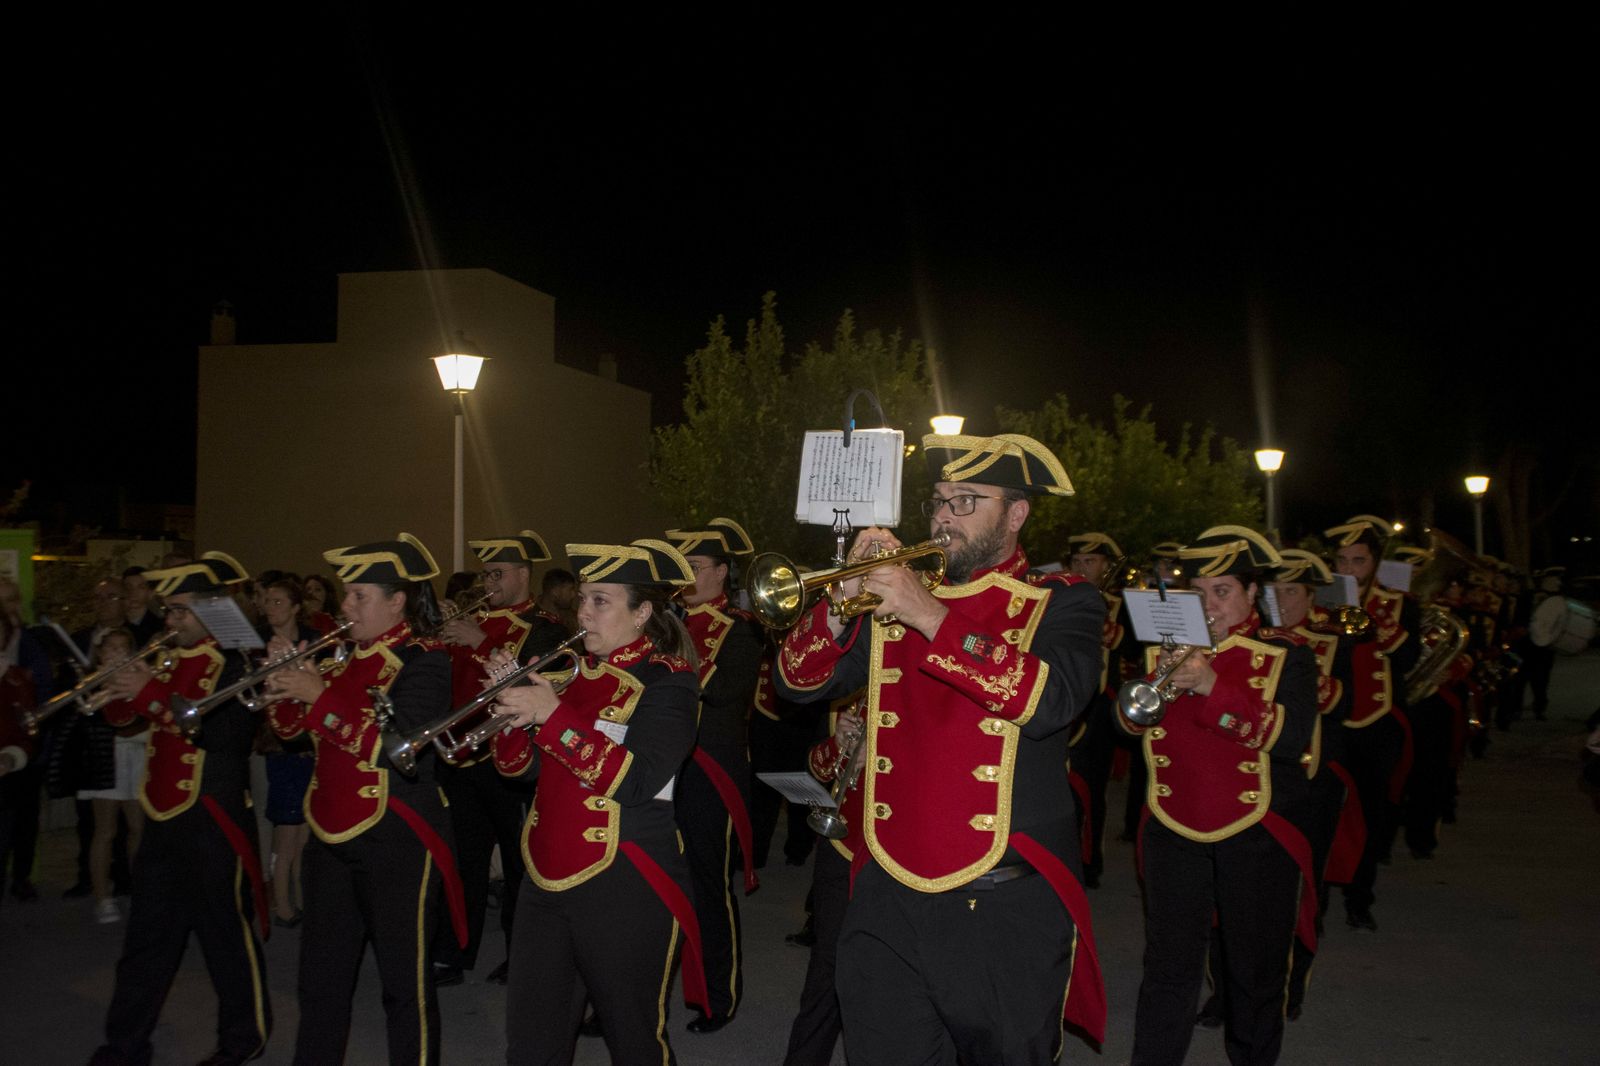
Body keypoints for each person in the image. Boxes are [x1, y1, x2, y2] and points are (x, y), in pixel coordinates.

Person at [776, 431, 1107, 1064]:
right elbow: (796, 683)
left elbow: (1051, 701)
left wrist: (929, 614)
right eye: (937, 501)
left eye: (965, 501)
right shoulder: (889, 601)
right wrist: (841, 609)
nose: (943, 518)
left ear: (1016, 514)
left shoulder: (1063, 602)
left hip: (1003, 901)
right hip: (886, 892)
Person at [491, 538, 706, 1065]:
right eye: (584, 599)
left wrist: (552, 716)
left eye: (601, 601)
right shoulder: (569, 677)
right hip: (544, 877)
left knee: (633, 1040)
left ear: (644, 613)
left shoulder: (669, 682)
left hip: (624, 880)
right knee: (531, 1041)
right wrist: (510, 717)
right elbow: (522, 772)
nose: (583, 612)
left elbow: (637, 781)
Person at [262, 533, 465, 1066]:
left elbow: (400, 750)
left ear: (397, 601)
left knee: (405, 985)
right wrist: (281, 680)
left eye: (359, 597)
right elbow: (290, 730)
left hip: (396, 836)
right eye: (347, 596)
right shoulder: (338, 658)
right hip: (329, 835)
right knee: (321, 982)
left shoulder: (425, 661)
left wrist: (317, 696)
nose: (344, 607)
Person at [1120, 526, 1318, 1066]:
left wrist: (1209, 685)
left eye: (1224, 591)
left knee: (1254, 971)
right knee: (1167, 969)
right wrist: (1158, 680)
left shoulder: (1286, 656)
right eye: (1200, 592)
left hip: (1255, 829)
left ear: (1254, 594)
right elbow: (1133, 726)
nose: (1209, 605)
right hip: (1173, 825)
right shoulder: (1165, 648)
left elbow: (1291, 738)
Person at [87, 552, 271, 1066]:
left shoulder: (239, 661)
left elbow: (225, 737)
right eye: (168, 611)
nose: (170, 622)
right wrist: (117, 687)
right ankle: (123, 1045)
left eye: (181, 611)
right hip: (164, 813)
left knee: (225, 939)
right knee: (146, 940)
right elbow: (129, 718)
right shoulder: (168, 655)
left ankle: (243, 1039)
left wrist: (149, 692)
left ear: (214, 611)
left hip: (213, 816)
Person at [432, 529, 569, 986]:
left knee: (517, 863)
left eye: (496, 574)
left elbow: (536, 684)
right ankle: (455, 952)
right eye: (485, 574)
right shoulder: (476, 619)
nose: (487, 583)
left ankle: (521, 955)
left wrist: (479, 642)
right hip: (461, 757)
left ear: (522, 575)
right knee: (463, 861)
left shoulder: (546, 627)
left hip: (509, 762)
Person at [665, 518, 765, 1033]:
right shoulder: (666, 623)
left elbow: (725, 693)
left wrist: (673, 644)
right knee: (653, 885)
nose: (686, 577)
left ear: (722, 572)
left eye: (695, 567)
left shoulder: (742, 630)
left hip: (710, 774)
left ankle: (717, 997)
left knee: (707, 886)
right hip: (663, 770)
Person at [1325, 514, 1420, 931]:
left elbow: (1408, 660)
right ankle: (1317, 903)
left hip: (1377, 723)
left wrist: (1378, 625)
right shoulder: (1322, 599)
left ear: (1376, 563)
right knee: (1325, 813)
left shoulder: (1399, 604)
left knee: (1370, 814)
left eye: (1358, 561)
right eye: (1342, 561)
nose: (1348, 570)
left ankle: (1359, 898)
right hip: (1332, 721)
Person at [1064, 531, 1134, 888]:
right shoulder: (1061, 597)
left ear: (1106, 565)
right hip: (1066, 697)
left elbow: (1135, 648)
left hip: (1101, 705)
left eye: (1089, 562)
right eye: (1076, 562)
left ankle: (1091, 861)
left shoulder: (1122, 605)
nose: (1081, 567)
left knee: (1092, 785)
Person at [74, 628, 149, 925]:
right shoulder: (91, 680)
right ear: (101, 653)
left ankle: (138, 891)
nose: (117, 653)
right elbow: (88, 718)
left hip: (139, 754)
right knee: (105, 830)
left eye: (123, 647)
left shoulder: (141, 677)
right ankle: (102, 897)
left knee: (138, 828)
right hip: (107, 758)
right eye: (110, 648)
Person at [257, 577, 320, 928]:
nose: (270, 608)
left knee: (306, 833)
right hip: (278, 746)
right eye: (266, 601)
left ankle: (303, 898)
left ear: (296, 607)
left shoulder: (312, 641)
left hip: (309, 744)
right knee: (286, 829)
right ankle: (281, 904)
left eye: (278, 601)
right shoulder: (257, 643)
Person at [121, 568, 163, 645]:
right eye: (128, 587)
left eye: (141, 587)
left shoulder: (159, 628)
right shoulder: (116, 623)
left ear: (150, 593)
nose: (133, 592)